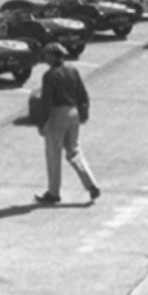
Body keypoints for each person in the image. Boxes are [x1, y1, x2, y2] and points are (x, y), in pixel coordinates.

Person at [34, 43, 101, 205]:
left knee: (53, 154)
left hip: (57, 115)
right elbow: (82, 94)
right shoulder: (73, 71)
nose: (44, 58)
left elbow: (47, 102)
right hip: (73, 113)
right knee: (74, 152)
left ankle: (53, 192)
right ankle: (91, 184)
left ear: (52, 56)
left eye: (46, 55)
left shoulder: (49, 75)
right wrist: (83, 113)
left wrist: (42, 123)